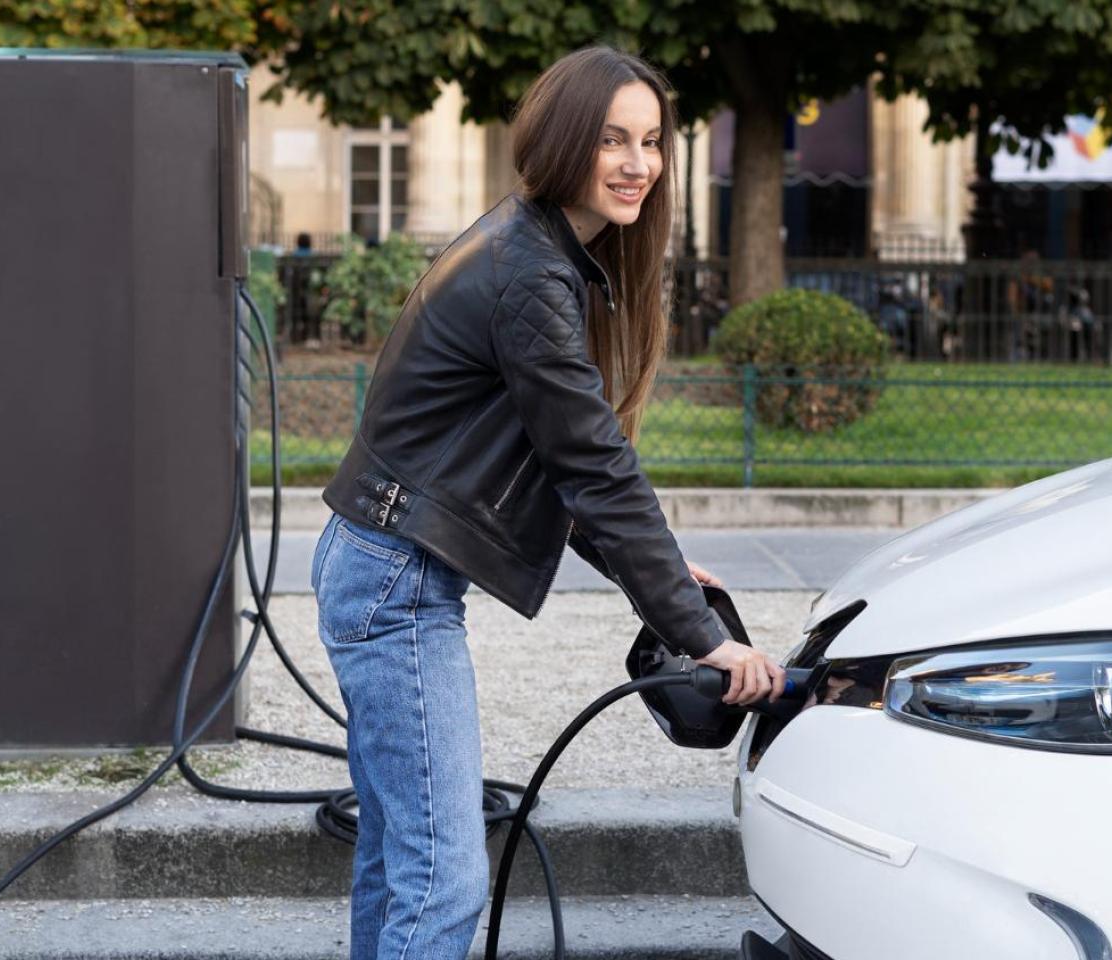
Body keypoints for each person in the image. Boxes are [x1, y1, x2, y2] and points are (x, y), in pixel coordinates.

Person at [309, 44, 787, 960]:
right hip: (394, 582)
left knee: (397, 858)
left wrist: (655, 575)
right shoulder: (531, 273)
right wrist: (702, 634)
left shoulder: (533, 248)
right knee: (443, 878)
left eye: (650, 141)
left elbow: (552, 459)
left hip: (377, 559)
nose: (637, 163)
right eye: (613, 139)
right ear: (566, 140)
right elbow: (593, 463)